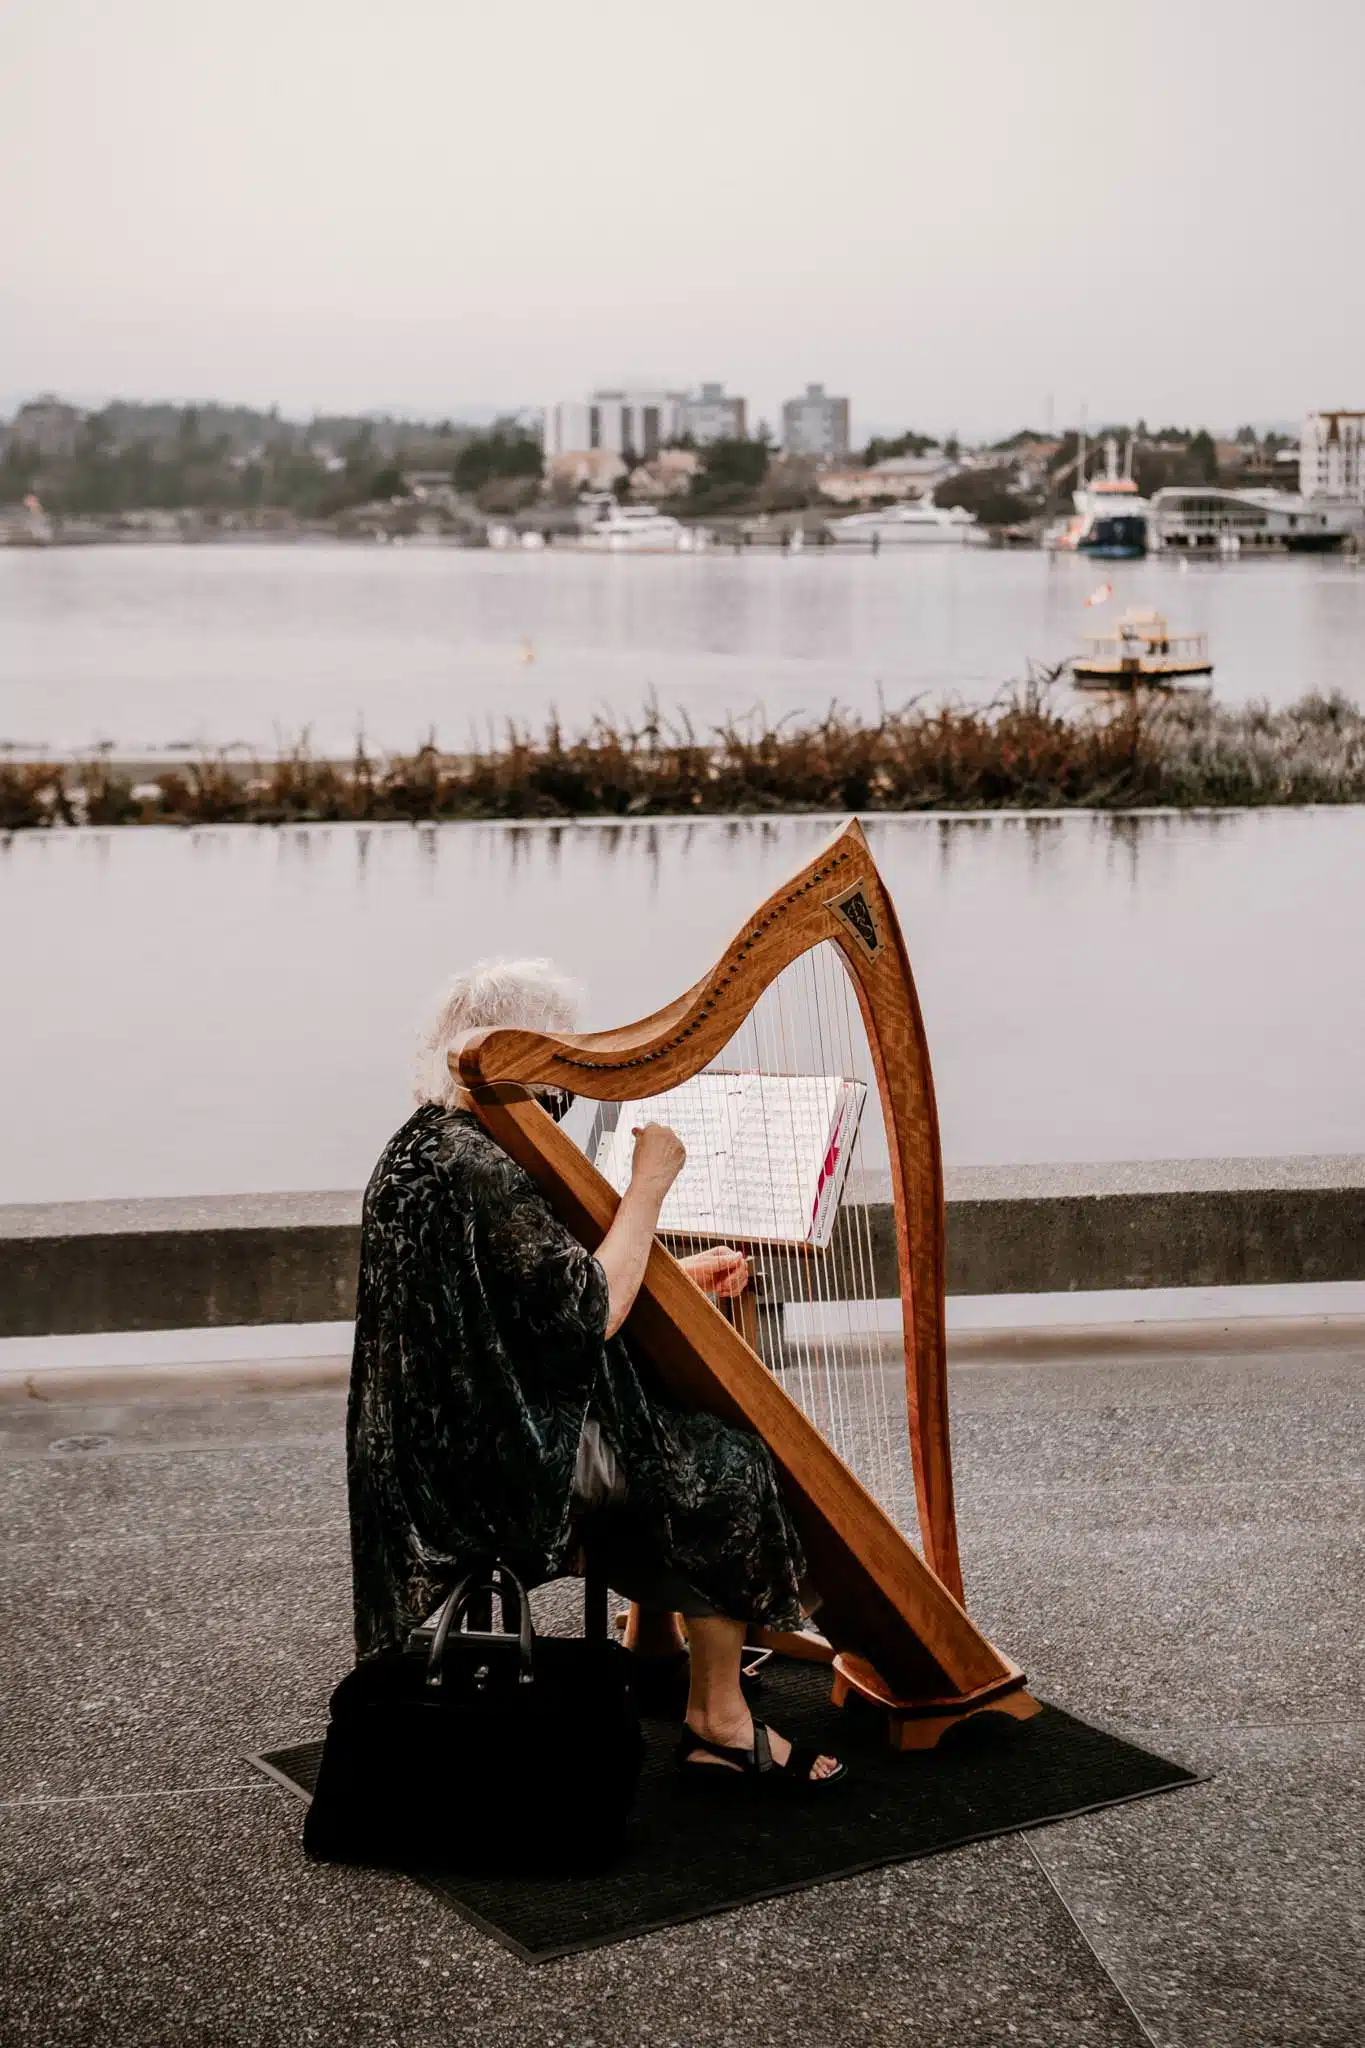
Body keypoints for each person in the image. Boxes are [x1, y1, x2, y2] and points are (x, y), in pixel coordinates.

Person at [347, 957, 844, 1790]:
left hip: (434, 1445)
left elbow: (524, 1303)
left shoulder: (427, 1142)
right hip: (493, 1470)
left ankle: (652, 1647)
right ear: (519, 1056)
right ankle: (719, 1723)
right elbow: (588, 1313)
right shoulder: (484, 1167)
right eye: (560, 1055)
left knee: (657, 1421)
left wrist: (673, 1277)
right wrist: (647, 1186)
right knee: (721, 1462)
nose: (567, 1075)